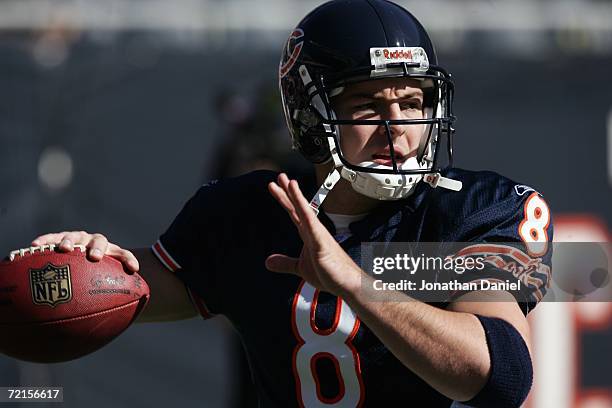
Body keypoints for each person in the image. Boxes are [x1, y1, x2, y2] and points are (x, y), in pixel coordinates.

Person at [30, 0, 553, 406]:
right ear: (310, 117)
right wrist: (85, 263)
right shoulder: (250, 212)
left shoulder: (472, 208)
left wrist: (353, 281)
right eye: (368, 105)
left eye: (412, 102)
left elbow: (501, 378)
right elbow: (126, 287)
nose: (397, 129)